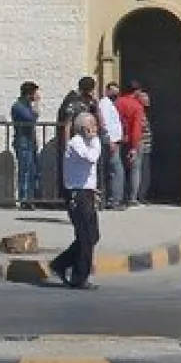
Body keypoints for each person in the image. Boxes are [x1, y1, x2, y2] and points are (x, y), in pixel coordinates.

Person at [50, 111, 103, 289]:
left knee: (93, 235)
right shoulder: (76, 143)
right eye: (91, 125)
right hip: (77, 194)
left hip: (87, 192)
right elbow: (91, 158)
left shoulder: (89, 142)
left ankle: (60, 263)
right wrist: (95, 139)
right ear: (83, 127)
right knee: (85, 236)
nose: (95, 128)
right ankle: (79, 277)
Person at [55, 77, 95, 200]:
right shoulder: (73, 102)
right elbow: (68, 124)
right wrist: (67, 144)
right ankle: (68, 198)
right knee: (70, 171)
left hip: (82, 141)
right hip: (75, 141)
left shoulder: (85, 101)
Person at [113, 82, 144, 208]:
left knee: (119, 169)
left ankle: (118, 196)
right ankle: (132, 198)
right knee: (135, 169)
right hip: (132, 140)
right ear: (136, 91)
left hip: (119, 139)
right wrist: (134, 147)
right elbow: (136, 128)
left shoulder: (117, 103)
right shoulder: (137, 106)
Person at [11, 82, 42, 209]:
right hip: (23, 142)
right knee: (25, 171)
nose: (37, 95)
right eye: (35, 93)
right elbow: (31, 119)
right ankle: (24, 200)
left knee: (33, 170)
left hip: (30, 141)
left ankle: (31, 198)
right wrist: (36, 105)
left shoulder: (27, 105)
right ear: (29, 94)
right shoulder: (18, 106)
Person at [96, 83, 125, 210]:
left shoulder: (110, 104)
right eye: (113, 91)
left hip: (114, 141)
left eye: (117, 92)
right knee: (116, 171)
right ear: (107, 91)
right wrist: (110, 140)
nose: (115, 94)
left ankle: (112, 199)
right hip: (110, 142)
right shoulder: (104, 104)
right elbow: (105, 123)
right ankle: (114, 201)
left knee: (112, 171)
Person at [133, 89, 152, 205]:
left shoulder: (143, 112)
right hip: (142, 147)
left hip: (146, 147)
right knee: (143, 172)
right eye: (144, 97)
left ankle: (141, 196)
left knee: (144, 172)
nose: (147, 99)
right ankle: (139, 196)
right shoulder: (139, 112)